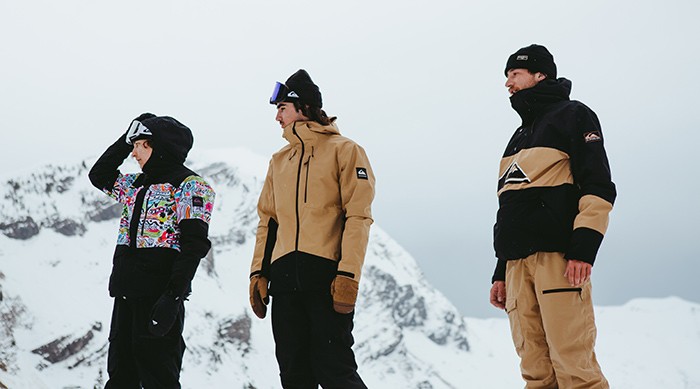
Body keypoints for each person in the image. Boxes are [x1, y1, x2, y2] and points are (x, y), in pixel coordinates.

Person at [489, 44, 616, 388]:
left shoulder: (573, 115)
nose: (507, 83)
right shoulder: (517, 137)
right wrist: (501, 270)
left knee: (574, 367)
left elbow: (598, 184)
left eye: (514, 74)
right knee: (535, 370)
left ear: (539, 74)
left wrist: (583, 249)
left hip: (558, 260)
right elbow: (510, 208)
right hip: (517, 268)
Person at [248, 69, 375, 388]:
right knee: (294, 374)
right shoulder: (279, 161)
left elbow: (358, 216)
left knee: (334, 370)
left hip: (326, 278)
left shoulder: (345, 150)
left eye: (281, 108)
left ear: (301, 106)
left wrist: (348, 276)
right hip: (285, 281)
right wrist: (258, 274)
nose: (277, 117)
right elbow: (269, 220)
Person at [88, 114, 215, 388]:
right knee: (121, 378)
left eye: (140, 145)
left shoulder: (191, 186)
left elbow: (194, 246)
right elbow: (99, 174)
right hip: (125, 294)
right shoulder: (135, 185)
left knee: (159, 379)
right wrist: (126, 138)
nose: (133, 153)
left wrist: (173, 297)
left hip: (159, 298)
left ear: (160, 147)